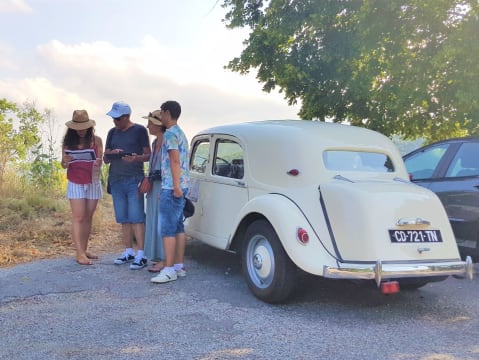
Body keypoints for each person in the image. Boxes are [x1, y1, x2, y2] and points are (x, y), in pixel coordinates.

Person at [104, 101, 151, 270]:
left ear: (126, 117)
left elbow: (147, 155)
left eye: (117, 118)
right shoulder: (112, 132)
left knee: (137, 216)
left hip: (133, 178)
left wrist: (135, 158)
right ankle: (128, 251)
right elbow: (105, 158)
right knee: (123, 217)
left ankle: (142, 253)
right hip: (116, 179)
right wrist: (112, 153)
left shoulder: (139, 130)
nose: (114, 122)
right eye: (113, 118)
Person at [151, 100, 190, 283]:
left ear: (167, 113)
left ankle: (168, 269)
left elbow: (174, 161)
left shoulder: (169, 135)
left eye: (161, 112)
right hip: (181, 184)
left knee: (167, 228)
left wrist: (173, 186)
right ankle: (178, 266)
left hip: (173, 186)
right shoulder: (181, 133)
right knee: (178, 227)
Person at [61, 110, 103, 265]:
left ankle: (84, 249)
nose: (80, 131)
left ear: (89, 127)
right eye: (77, 128)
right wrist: (65, 160)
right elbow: (63, 164)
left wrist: (99, 161)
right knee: (78, 216)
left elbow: (100, 160)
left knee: (88, 217)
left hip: (92, 180)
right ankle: (79, 253)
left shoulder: (97, 140)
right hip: (75, 180)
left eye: (84, 127)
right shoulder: (68, 143)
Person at [142, 110, 166, 272]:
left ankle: (164, 258)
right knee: (152, 218)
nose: (148, 126)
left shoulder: (166, 142)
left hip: (163, 184)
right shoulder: (155, 143)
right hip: (153, 184)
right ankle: (157, 256)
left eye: (150, 123)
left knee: (161, 221)